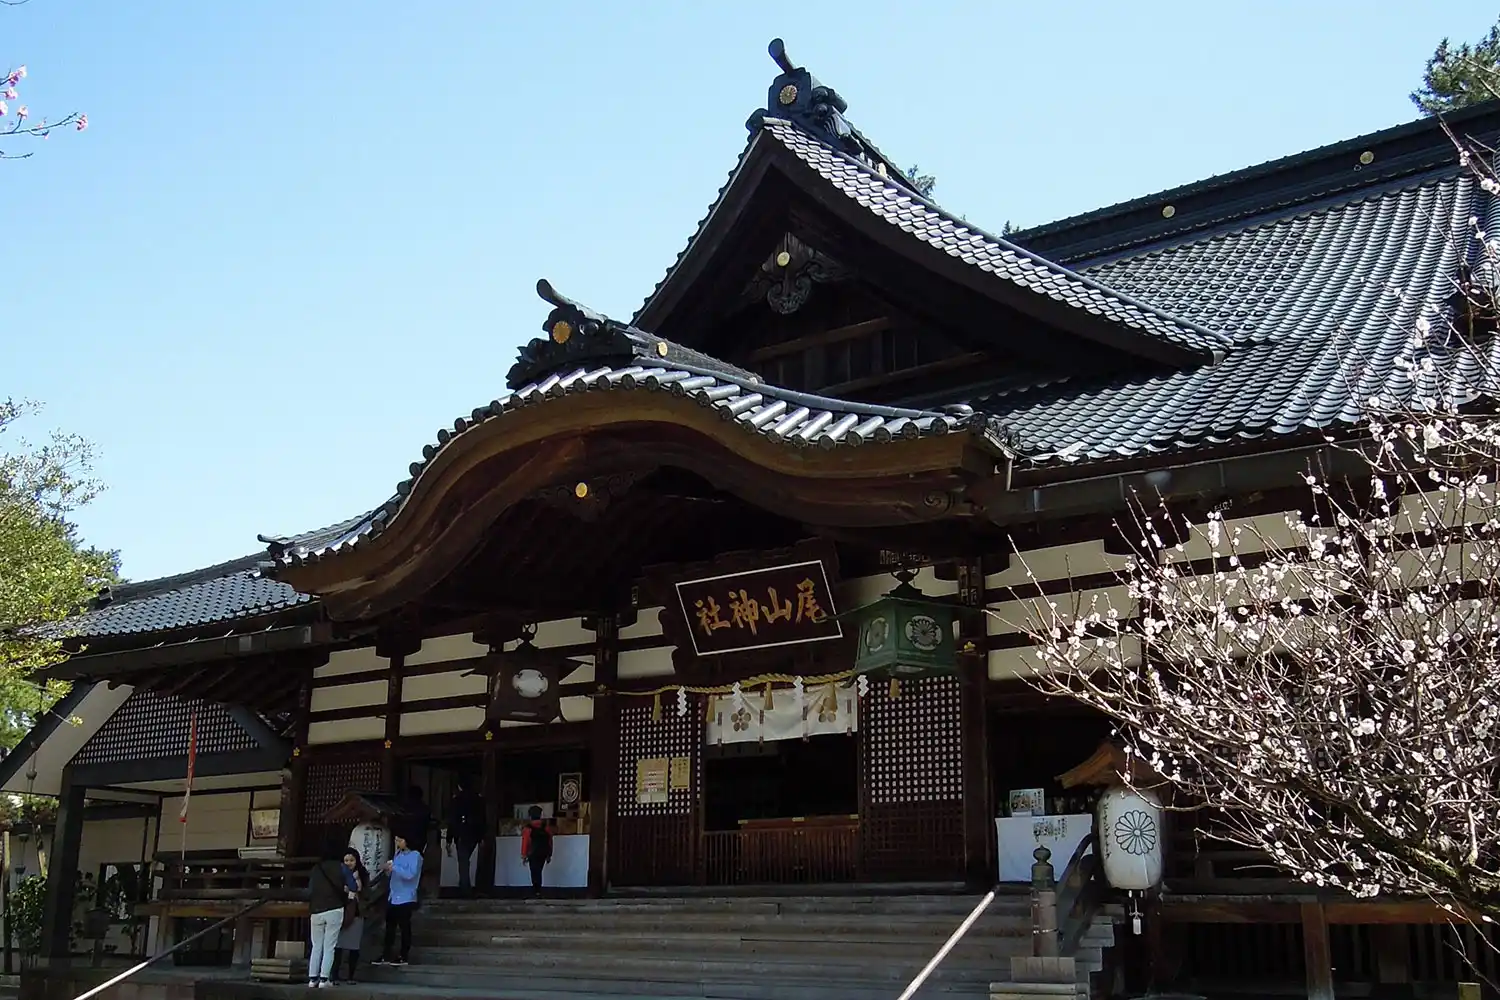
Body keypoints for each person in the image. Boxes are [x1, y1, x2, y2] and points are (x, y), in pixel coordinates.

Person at [372, 833, 422, 967]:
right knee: (390, 927)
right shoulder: (398, 854)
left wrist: (394, 867)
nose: (397, 843)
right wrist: (388, 869)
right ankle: (386, 954)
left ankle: (403, 955)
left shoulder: (415, 856)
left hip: (406, 896)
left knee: (404, 927)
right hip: (393, 895)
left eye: (400, 840)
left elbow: (410, 874)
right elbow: (394, 873)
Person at [306, 850, 352, 988]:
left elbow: (310, 889)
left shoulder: (316, 868)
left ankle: (312, 979)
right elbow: (353, 886)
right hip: (334, 909)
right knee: (329, 946)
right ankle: (324, 979)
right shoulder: (341, 867)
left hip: (316, 910)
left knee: (316, 946)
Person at [332, 849, 370, 984]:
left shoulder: (362, 875)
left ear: (357, 861)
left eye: (352, 860)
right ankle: (334, 975)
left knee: (354, 947)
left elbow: (366, 893)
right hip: (341, 911)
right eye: (346, 860)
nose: (349, 863)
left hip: (357, 913)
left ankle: (351, 976)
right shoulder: (338, 874)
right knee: (338, 947)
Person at [446, 776, 486, 895]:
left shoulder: (456, 800)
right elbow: (483, 819)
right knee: (467, 859)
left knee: (463, 861)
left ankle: (465, 888)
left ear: (459, 786)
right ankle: (473, 886)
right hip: (474, 833)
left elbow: (452, 820)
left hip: (461, 833)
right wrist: (482, 836)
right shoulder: (479, 800)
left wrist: (449, 839)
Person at [520, 805, 552, 896]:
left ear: (530, 816)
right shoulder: (546, 828)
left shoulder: (528, 829)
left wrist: (524, 855)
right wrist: (549, 854)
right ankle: (538, 889)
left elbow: (525, 843)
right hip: (543, 853)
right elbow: (550, 842)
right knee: (539, 870)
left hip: (532, 853)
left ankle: (536, 890)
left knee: (534, 871)